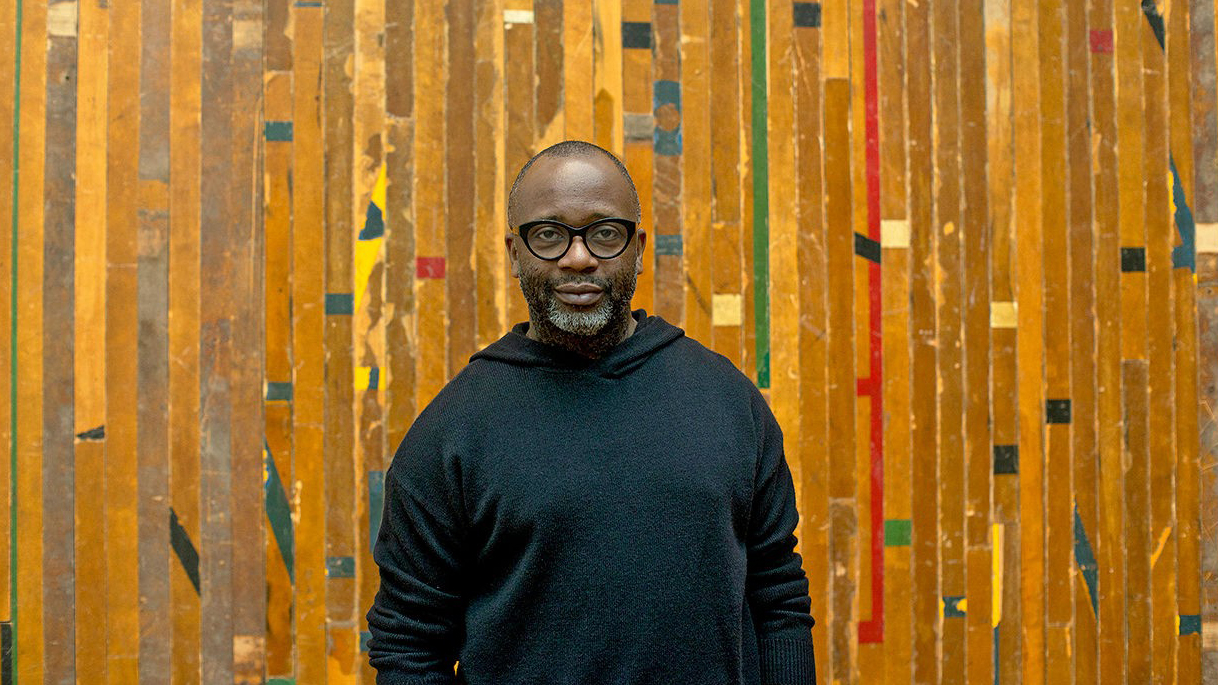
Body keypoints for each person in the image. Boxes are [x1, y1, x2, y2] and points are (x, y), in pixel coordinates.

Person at [366, 140, 817, 684]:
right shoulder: (452, 434)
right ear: (514, 252)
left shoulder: (727, 402)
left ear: (639, 248)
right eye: (549, 234)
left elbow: (778, 596)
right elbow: (409, 644)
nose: (578, 258)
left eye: (605, 233)